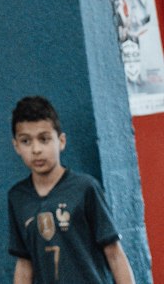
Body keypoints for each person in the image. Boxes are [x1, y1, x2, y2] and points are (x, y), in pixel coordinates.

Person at [8, 96, 136, 284]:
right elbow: (24, 263)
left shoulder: (85, 188)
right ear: (16, 146)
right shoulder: (17, 197)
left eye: (44, 139)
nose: (36, 149)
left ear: (61, 141)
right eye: (26, 141)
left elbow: (114, 254)